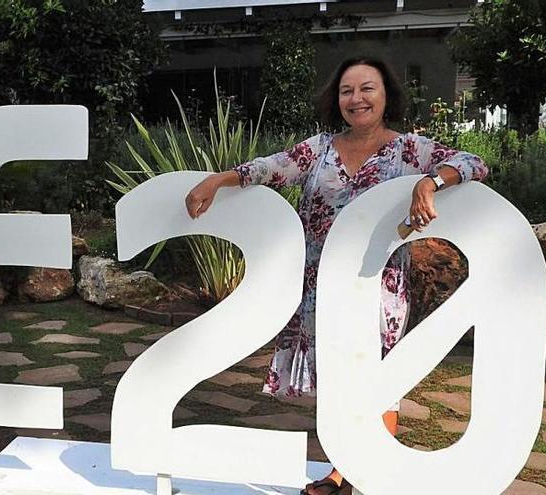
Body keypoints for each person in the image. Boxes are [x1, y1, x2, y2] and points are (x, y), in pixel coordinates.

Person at [184, 57, 488, 495]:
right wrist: (219, 180)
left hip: (378, 287)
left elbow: (474, 162)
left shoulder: (409, 151)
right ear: (336, 98)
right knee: (336, 382)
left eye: (368, 88)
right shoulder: (321, 149)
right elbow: (272, 167)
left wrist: (430, 183)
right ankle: (342, 472)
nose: (356, 98)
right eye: (347, 90)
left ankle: (367, 475)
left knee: (377, 379)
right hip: (320, 286)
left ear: (386, 96)